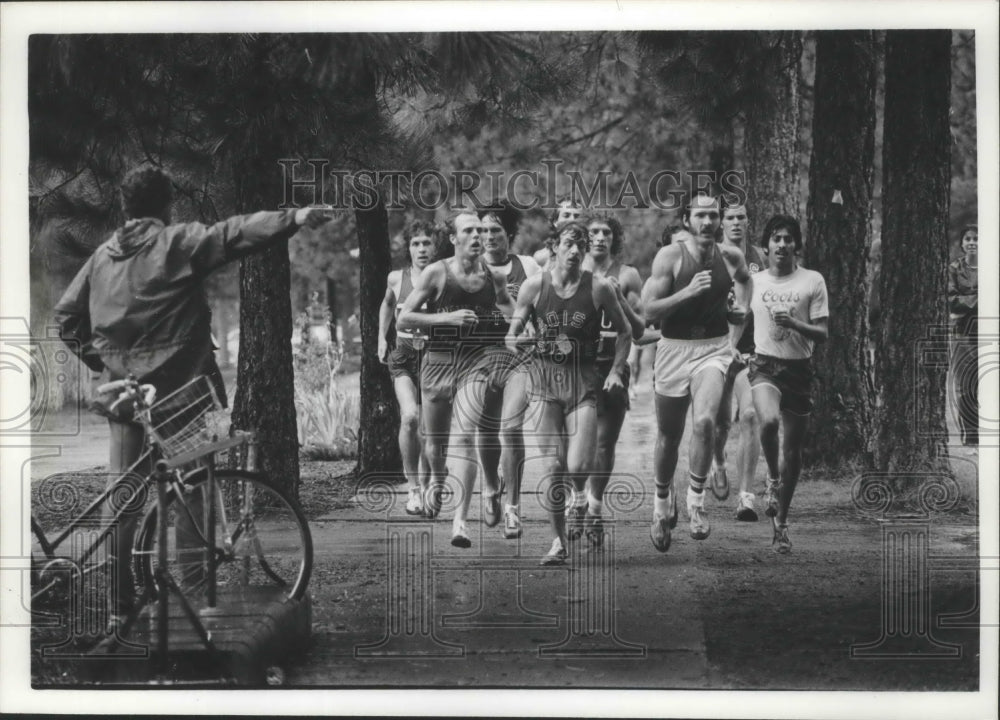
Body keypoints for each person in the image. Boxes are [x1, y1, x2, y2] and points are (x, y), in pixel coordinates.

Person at [53, 164, 334, 621]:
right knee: (194, 488)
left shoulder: (102, 256)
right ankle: (199, 597)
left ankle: (118, 607)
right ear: (166, 204)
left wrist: (102, 361)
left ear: (124, 206)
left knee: (123, 492)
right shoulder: (174, 242)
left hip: (123, 392)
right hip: (176, 389)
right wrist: (295, 217)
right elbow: (233, 234)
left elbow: (66, 317)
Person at [505, 221, 631, 565]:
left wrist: (617, 370)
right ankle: (557, 543)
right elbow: (511, 335)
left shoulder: (599, 287)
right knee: (553, 466)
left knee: (578, 464)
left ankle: (580, 499)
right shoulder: (534, 286)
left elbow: (626, 331)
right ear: (554, 248)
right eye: (569, 244)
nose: (576, 250)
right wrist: (519, 343)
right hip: (544, 380)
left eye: (581, 244)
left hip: (583, 380)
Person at [397, 211, 515, 548]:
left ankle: (460, 522)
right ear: (453, 238)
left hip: (475, 363)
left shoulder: (493, 277)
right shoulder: (437, 273)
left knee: (465, 435)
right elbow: (405, 319)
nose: (478, 236)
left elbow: (509, 306)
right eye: (469, 231)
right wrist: (447, 318)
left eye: (480, 230)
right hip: (437, 363)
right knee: (435, 444)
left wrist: (527, 325)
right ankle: (436, 478)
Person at [641, 193, 751, 552]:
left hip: (714, 350)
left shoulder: (730, 256)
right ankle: (661, 507)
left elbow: (746, 282)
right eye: (700, 215)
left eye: (713, 215)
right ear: (687, 219)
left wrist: (739, 320)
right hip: (673, 350)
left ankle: (696, 503)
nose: (708, 222)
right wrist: (686, 293)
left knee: (704, 422)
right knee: (669, 437)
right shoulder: (670, 257)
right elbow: (649, 310)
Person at [749, 215, 829, 553]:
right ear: (766, 245)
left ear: (796, 244)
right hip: (765, 365)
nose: (781, 244)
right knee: (767, 422)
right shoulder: (754, 281)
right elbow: (738, 317)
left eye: (787, 239)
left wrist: (796, 323)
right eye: (775, 238)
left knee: (793, 451)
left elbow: (823, 333)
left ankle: (781, 523)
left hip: (799, 369)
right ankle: (771, 479)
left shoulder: (812, 280)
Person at [577, 213, 645, 545]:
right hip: (579, 367)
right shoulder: (573, 272)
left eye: (606, 232)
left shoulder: (628, 275)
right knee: (578, 445)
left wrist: (618, 299)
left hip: (614, 365)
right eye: (593, 232)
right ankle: (577, 501)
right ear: (583, 237)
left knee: (604, 444)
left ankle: (594, 509)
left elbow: (640, 328)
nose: (600, 237)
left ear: (613, 238)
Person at [477, 200, 542, 538]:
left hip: (518, 360)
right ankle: (490, 486)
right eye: (483, 230)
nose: (488, 236)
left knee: (511, 426)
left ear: (510, 234)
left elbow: (541, 306)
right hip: (480, 359)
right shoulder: (469, 267)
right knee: (486, 430)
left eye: (495, 230)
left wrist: (533, 329)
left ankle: (514, 508)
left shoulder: (527, 266)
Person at [710, 200, 768, 521]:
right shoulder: (712, 256)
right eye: (729, 217)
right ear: (721, 222)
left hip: (751, 354)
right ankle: (718, 461)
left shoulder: (761, 258)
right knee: (720, 424)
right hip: (717, 353)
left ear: (748, 221)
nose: (735, 222)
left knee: (748, 416)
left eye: (741, 217)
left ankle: (745, 497)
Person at [378, 220, 436, 515]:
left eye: (427, 243)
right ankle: (412, 489)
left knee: (428, 429)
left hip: (434, 357)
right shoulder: (395, 278)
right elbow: (388, 304)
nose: (422, 249)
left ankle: (426, 488)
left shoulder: (443, 277)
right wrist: (380, 337)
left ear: (435, 246)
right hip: (402, 353)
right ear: (408, 248)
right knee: (410, 417)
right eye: (416, 243)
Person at [948, 224, 979, 446]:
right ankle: (970, 438)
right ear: (961, 243)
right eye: (968, 238)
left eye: (976, 239)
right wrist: (978, 298)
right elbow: (951, 301)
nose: (972, 242)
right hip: (962, 334)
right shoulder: (953, 269)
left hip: (986, 333)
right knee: (965, 385)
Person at [532, 197, 584, 270]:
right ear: (555, 222)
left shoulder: (590, 256)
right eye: (566, 215)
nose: (572, 220)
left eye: (577, 216)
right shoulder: (541, 257)